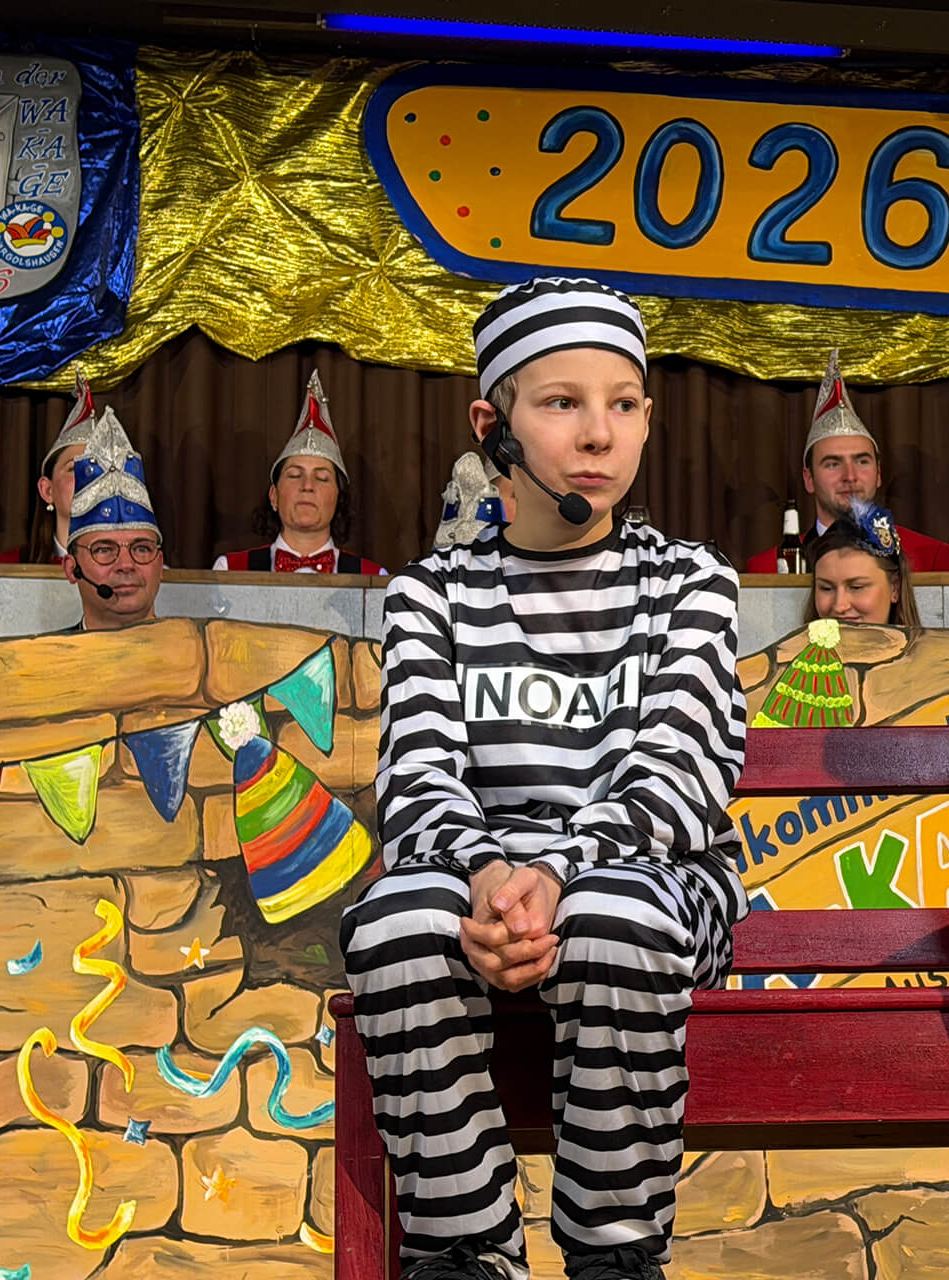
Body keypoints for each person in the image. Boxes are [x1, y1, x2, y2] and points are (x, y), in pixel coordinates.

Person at [340, 276, 748, 1280]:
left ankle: (615, 1255)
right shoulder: (431, 593)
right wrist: (490, 875)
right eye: (562, 402)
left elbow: (679, 776)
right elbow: (418, 780)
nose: (599, 433)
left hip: (651, 882)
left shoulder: (693, 583)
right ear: (494, 427)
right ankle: (465, 1250)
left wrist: (557, 874)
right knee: (392, 922)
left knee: (615, 918)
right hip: (485, 887)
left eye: (623, 403)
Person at [745, 350, 949, 573]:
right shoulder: (766, 567)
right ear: (809, 479)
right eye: (833, 464)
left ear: (879, 474)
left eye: (862, 461)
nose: (850, 476)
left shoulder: (930, 557)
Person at [0, 372, 95, 641]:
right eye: (74, 468)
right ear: (47, 490)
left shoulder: (150, 577)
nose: (89, 477)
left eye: (98, 468)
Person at [213, 370, 385, 574]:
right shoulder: (229, 569)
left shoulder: (373, 577)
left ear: (339, 498)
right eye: (295, 475)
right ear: (274, 496)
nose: (307, 486)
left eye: (322, 478)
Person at [60, 408, 166, 633]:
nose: (126, 565)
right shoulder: (43, 655)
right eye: (104, 550)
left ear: (160, 566)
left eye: (142, 549)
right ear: (72, 568)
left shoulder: (196, 652)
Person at [804, 502, 923, 631]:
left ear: (895, 588)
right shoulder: (791, 645)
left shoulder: (932, 645)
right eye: (826, 588)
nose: (839, 606)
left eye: (856, 587)